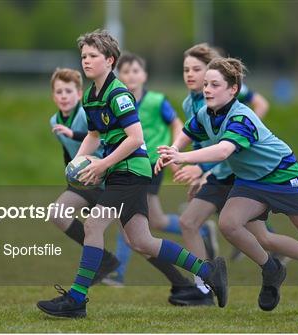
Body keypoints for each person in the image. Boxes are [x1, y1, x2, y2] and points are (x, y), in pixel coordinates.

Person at [157, 57, 298, 315]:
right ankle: (271, 268)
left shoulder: (241, 117)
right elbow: (189, 130)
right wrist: (174, 148)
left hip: (283, 176)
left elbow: (223, 151)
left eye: (214, 84)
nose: (207, 89)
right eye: (206, 84)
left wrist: (182, 157)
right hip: (251, 182)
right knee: (228, 224)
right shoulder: (205, 113)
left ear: (233, 90)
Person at [37, 29, 227, 318]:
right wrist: (75, 164)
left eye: (92, 56)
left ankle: (76, 299)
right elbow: (94, 135)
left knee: (93, 225)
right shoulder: (90, 96)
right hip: (119, 172)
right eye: (83, 56)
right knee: (141, 241)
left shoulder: (118, 93)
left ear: (110, 60)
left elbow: (136, 138)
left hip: (131, 171)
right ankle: (207, 270)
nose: (86, 61)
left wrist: (100, 165)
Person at [101, 53, 217, 307]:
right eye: (126, 71)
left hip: (152, 164)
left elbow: (178, 125)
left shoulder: (156, 100)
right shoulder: (118, 101)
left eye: (135, 71)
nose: (130, 75)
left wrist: (174, 152)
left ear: (144, 75)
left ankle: (117, 271)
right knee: (155, 220)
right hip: (128, 166)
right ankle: (203, 231)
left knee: (127, 217)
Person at [48, 67, 120, 284]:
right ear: (53, 96)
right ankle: (105, 260)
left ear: (79, 94)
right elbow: (68, 150)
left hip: (105, 177)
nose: (63, 96)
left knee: (139, 237)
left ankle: (183, 282)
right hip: (82, 182)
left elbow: (97, 138)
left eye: (68, 91)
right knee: (57, 213)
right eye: (59, 92)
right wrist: (69, 176)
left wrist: (74, 134)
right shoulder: (55, 121)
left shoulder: (86, 112)